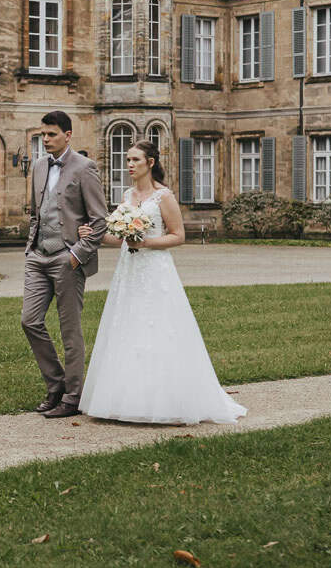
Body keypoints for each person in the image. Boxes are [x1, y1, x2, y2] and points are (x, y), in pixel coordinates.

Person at [76, 140, 246, 425]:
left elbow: (179, 235)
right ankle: (122, 399)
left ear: (150, 163)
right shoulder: (127, 195)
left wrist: (147, 243)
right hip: (129, 270)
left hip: (155, 268)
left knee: (159, 326)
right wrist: (93, 235)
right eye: (128, 159)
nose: (129, 164)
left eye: (135, 160)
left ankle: (166, 400)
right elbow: (118, 238)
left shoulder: (163, 196)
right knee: (127, 325)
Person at [22, 111, 108, 419]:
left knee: (69, 330)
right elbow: (35, 211)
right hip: (38, 256)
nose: (46, 139)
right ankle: (56, 384)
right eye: (43, 134)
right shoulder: (38, 166)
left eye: (52, 134)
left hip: (67, 258)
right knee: (29, 321)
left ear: (68, 135)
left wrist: (77, 254)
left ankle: (73, 396)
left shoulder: (86, 169)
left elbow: (100, 220)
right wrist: (31, 247)